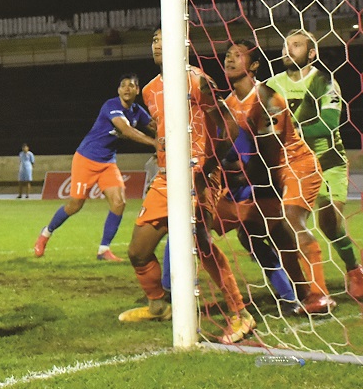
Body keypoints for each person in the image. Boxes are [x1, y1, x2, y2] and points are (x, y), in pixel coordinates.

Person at [118, 29, 255, 345]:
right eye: (153, 39)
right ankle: (157, 306)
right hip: (167, 178)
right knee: (138, 251)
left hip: (199, 176)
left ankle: (241, 313)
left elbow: (229, 125)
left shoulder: (197, 79)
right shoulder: (151, 90)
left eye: (162, 38)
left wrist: (209, 164)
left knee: (201, 243)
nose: (156, 43)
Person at [223, 39, 333, 313]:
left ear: (255, 65)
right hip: (267, 173)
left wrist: (241, 176)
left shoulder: (267, 98)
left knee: (291, 219)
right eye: (228, 55)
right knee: (251, 232)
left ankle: (320, 295)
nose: (230, 59)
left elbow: (270, 152)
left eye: (239, 55)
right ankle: (299, 292)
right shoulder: (228, 104)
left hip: (296, 165)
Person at [265, 29, 363, 301]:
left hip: (327, 162)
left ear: (311, 53)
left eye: (296, 45)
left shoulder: (324, 81)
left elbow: (330, 125)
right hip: (295, 164)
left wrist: (290, 132)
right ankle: (304, 287)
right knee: (290, 222)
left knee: (329, 224)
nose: (288, 49)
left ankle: (354, 270)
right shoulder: (272, 84)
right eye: (286, 45)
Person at [33, 75, 156, 262]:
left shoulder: (137, 111)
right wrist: (155, 143)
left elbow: (156, 126)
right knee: (75, 205)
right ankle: (46, 233)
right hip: (86, 159)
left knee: (119, 202)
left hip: (107, 162)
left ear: (138, 90)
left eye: (131, 85)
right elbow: (126, 130)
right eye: (123, 86)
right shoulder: (111, 106)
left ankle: (103, 250)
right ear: (118, 90)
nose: (126, 89)